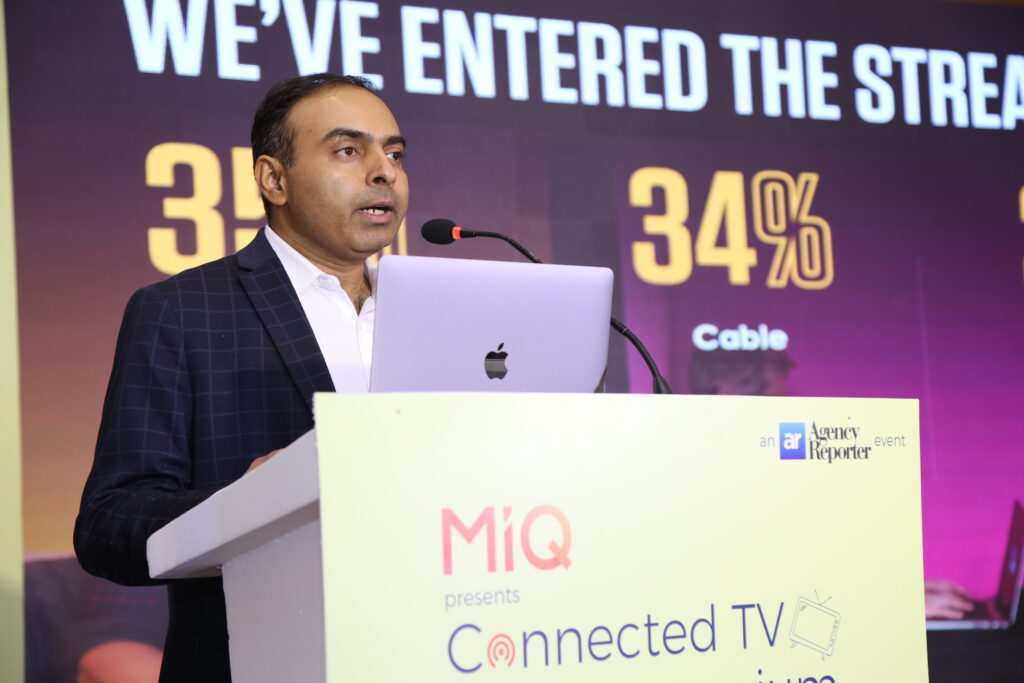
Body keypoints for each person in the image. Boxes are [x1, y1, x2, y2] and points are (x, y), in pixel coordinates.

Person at [74, 73, 408, 681]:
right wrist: (248, 504)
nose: (384, 172)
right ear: (273, 179)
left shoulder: (431, 312)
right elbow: (108, 525)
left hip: (428, 643)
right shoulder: (182, 310)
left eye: (394, 153)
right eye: (348, 150)